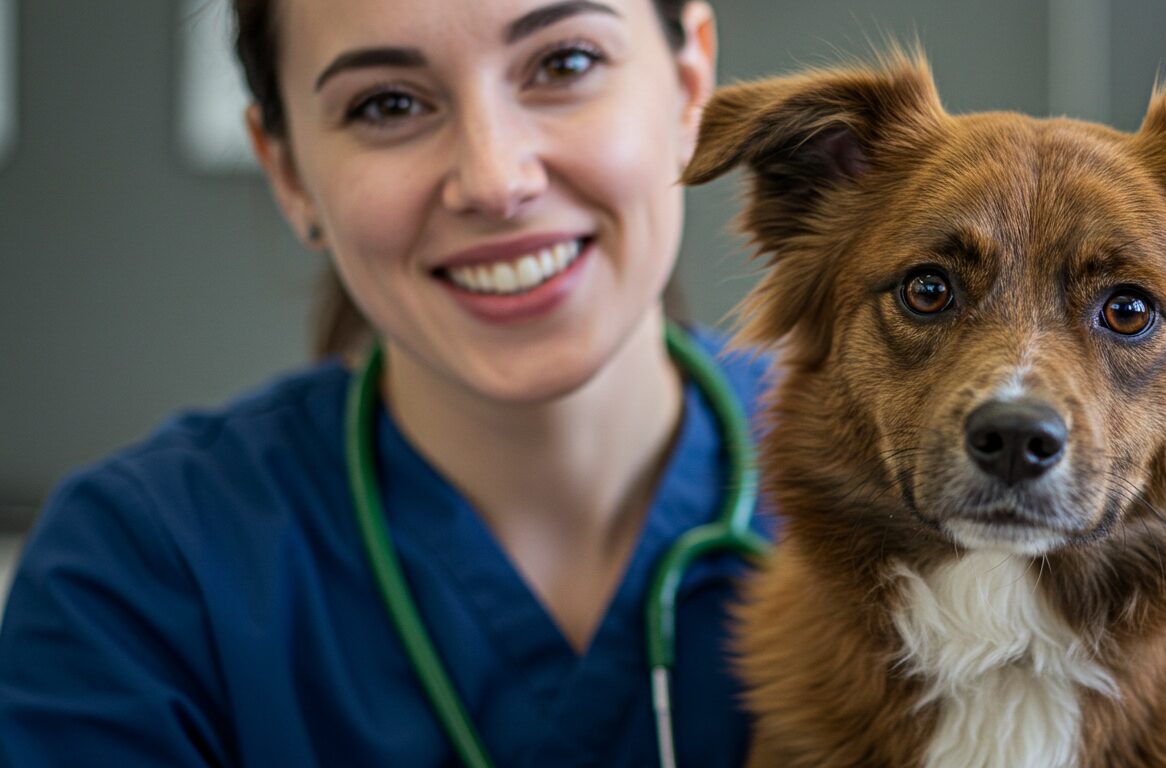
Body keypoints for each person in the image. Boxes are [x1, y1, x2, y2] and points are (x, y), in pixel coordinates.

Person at [0, 0, 772, 765]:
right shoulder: (137, 576)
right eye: (388, 105)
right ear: (289, 171)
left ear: (689, 79)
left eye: (564, 63)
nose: (495, 179)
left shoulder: (885, 484)